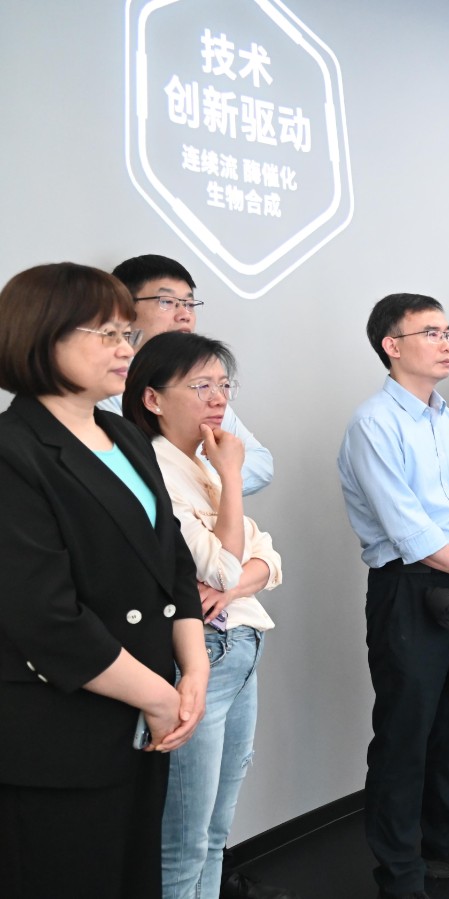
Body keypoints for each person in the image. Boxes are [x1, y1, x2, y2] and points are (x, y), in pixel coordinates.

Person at [0, 262, 208, 899]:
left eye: (128, 334)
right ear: (41, 337)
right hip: (62, 730)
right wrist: (161, 698)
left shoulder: (123, 433)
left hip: (143, 719)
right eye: (107, 334)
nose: (126, 349)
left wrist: (194, 669)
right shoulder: (13, 449)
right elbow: (45, 617)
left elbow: (173, 561)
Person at [337, 294, 449, 899]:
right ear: (392, 345)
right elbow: (406, 528)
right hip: (409, 589)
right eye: (430, 332)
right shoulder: (373, 423)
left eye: (448, 332)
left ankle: (447, 843)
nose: (446, 343)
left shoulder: (443, 419)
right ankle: (400, 872)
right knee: (405, 734)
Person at [121, 332, 286, 899]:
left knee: (216, 834)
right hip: (202, 657)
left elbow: (269, 558)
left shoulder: (203, 463)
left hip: (240, 649)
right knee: (184, 842)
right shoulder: (153, 470)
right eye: (200, 386)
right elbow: (226, 565)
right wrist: (233, 479)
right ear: (152, 399)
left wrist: (236, 575)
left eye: (223, 385)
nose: (218, 398)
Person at [106, 255, 274, 497]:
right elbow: (125, 474)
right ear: (123, 309)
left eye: (189, 304)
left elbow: (260, 463)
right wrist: (214, 471)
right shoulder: (104, 386)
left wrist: (199, 475)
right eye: (167, 302)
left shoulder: (204, 386)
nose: (184, 314)